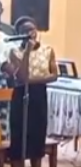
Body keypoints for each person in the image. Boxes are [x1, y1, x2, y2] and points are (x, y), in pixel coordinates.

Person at [1, 17, 57, 167]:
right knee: (19, 138)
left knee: (37, 138)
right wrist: (27, 52)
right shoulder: (14, 51)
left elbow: (54, 75)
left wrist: (32, 81)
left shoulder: (48, 50)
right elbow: (21, 76)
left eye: (33, 29)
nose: (31, 33)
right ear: (20, 33)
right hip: (20, 97)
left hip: (39, 97)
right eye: (26, 31)